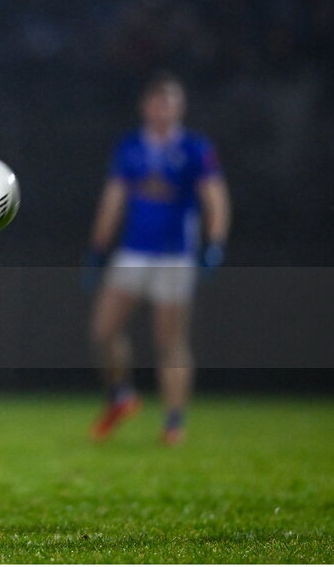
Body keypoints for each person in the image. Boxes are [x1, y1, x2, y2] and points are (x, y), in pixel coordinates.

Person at [83, 71, 230, 446]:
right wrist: (98, 247)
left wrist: (214, 244)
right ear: (146, 106)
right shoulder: (130, 147)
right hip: (133, 251)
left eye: (171, 101)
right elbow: (113, 200)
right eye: (157, 100)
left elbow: (214, 198)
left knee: (170, 342)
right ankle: (121, 394)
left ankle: (174, 421)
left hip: (174, 256)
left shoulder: (195, 149)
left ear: (180, 107)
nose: (163, 108)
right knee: (103, 330)